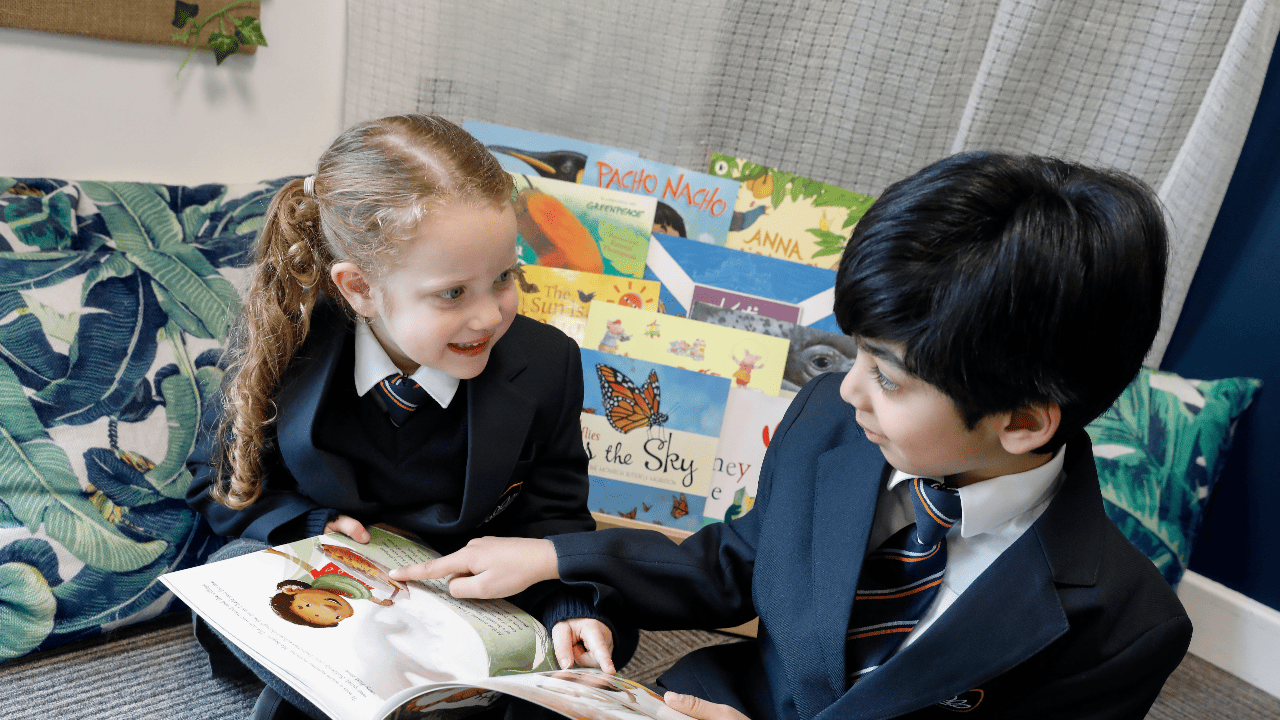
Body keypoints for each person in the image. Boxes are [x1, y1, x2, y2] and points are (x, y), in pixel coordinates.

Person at [391, 152, 1193, 720]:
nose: (847, 389)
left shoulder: (1126, 629)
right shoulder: (831, 426)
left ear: (1022, 421)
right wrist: (557, 556)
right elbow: (741, 562)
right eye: (855, 354)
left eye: (888, 376)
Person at [185, 114, 625, 720]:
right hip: (329, 586)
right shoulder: (283, 345)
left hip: (469, 597)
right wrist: (308, 523)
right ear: (360, 286)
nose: (490, 315)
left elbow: (555, 515)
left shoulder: (547, 363)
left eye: (505, 278)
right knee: (232, 568)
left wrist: (570, 607)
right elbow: (213, 486)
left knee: (605, 625)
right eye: (452, 293)